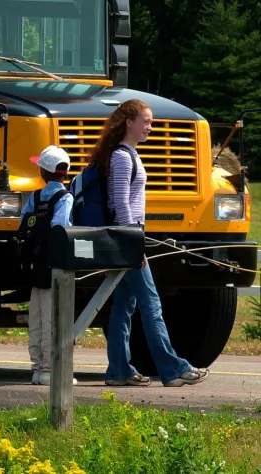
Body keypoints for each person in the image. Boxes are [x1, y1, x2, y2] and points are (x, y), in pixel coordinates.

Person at [89, 99, 209, 387]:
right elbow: (120, 204)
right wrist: (133, 244)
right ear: (129, 122)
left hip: (128, 237)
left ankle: (119, 370)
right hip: (128, 238)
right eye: (146, 121)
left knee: (124, 306)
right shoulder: (121, 157)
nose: (150, 128)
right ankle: (173, 369)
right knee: (151, 303)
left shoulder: (128, 154)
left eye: (150, 122)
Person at [18, 145, 76, 386]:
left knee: (37, 315)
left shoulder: (35, 196)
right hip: (55, 265)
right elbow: (60, 226)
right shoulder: (65, 197)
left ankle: (37, 368)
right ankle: (50, 369)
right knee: (53, 316)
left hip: (34, 263)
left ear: (44, 172)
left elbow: (23, 223)